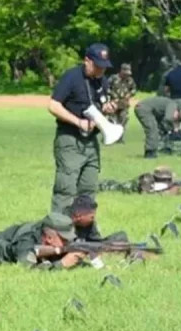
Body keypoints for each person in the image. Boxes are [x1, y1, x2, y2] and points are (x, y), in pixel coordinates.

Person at [47, 43, 116, 215]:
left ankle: (84, 233)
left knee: (88, 190)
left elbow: (100, 105)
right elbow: (53, 106)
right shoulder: (71, 77)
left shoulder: (102, 81)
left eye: (104, 67)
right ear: (87, 61)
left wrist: (107, 109)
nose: (101, 71)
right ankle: (59, 230)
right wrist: (78, 122)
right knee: (66, 190)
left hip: (91, 142)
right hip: (70, 140)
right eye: (98, 66)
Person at [0, 213, 87, 270]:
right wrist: (62, 264)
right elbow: (30, 269)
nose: (68, 243)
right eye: (64, 240)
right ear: (49, 238)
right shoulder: (26, 242)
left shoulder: (45, 233)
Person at [98, 166, 181, 195]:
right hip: (113, 186)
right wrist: (171, 191)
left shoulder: (163, 184)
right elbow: (147, 193)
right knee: (105, 185)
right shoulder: (146, 179)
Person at [108, 63, 137, 141]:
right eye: (125, 73)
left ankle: (120, 138)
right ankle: (111, 137)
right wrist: (113, 95)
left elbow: (134, 89)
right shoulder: (113, 78)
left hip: (124, 104)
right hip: (113, 104)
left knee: (123, 120)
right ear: (122, 71)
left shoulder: (130, 80)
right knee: (112, 121)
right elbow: (106, 88)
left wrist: (129, 94)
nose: (127, 75)